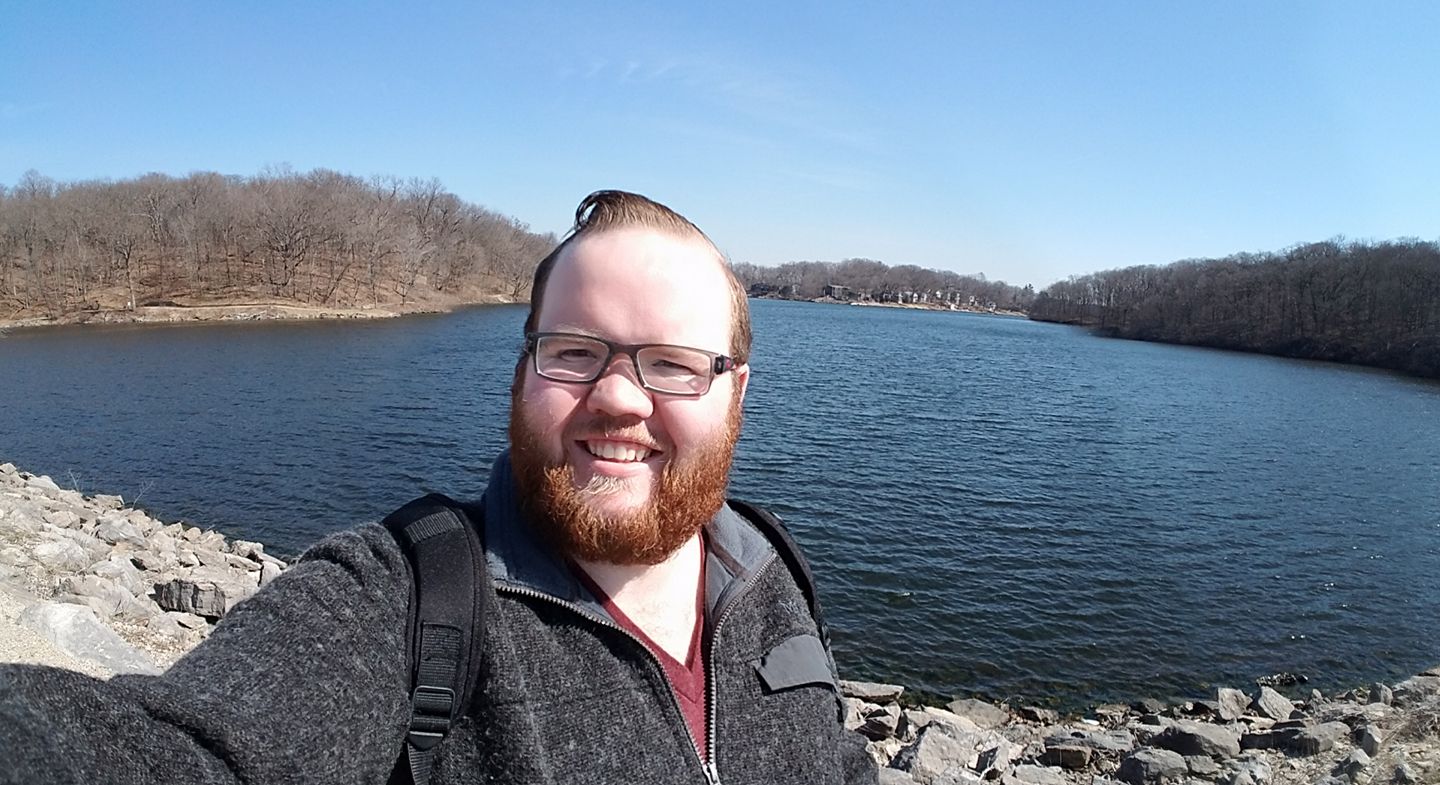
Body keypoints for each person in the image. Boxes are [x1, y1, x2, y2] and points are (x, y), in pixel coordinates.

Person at [0, 190, 878, 785]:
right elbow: (175, 751)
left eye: (674, 364)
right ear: (524, 366)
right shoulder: (405, 598)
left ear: (738, 392)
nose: (616, 395)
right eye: (574, 350)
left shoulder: (770, 567)